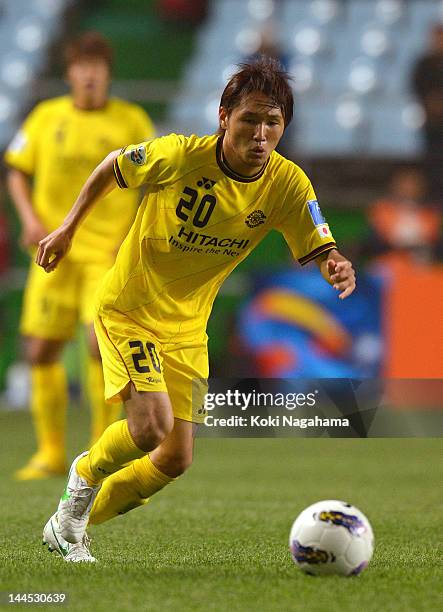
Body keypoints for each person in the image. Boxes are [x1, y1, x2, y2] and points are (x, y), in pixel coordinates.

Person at [36, 57, 355, 562]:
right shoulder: (179, 155)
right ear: (224, 115)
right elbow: (112, 166)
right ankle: (78, 488)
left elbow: (320, 246)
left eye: (273, 123)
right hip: (131, 309)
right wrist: (68, 228)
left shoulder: (288, 184)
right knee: (149, 427)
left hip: (188, 327)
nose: (261, 133)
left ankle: (69, 522)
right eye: (250, 119)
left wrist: (335, 264)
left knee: (176, 457)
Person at [4, 32, 155, 481]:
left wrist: (133, 234)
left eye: (98, 68)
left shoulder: (131, 121)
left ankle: (97, 453)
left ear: (107, 74)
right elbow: (16, 171)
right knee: (41, 350)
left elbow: (154, 182)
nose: (90, 76)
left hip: (106, 253)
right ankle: (50, 453)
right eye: (82, 67)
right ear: (70, 73)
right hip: (52, 250)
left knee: (98, 344)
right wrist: (29, 220)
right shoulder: (45, 116)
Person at [411, 23, 443, 203]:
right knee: (432, 165)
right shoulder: (424, 63)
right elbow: (416, 86)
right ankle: (433, 202)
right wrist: (430, 103)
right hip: (431, 124)